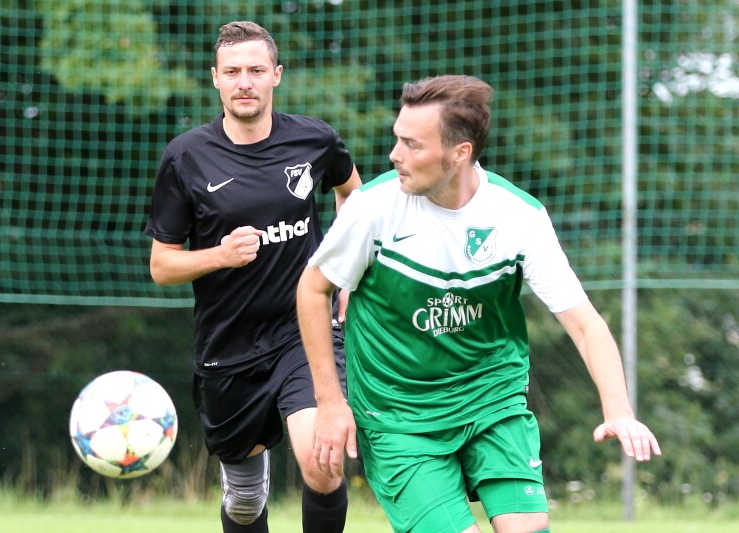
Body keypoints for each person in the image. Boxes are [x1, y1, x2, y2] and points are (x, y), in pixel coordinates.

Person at [297, 75, 662, 533]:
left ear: (460, 152)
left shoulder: (518, 217)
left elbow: (585, 324)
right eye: (397, 139)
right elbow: (312, 290)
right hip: (399, 415)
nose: (394, 155)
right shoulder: (373, 208)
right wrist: (330, 402)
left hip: (492, 400)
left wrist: (619, 411)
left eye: (412, 144)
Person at [144, 21, 361, 533]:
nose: (245, 82)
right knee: (244, 504)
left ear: (276, 75)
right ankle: (245, 488)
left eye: (256, 71)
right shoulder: (186, 157)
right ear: (215, 78)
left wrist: (348, 272)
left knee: (322, 461)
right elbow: (162, 265)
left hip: (303, 331)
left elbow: (354, 195)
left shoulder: (314, 139)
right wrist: (219, 255)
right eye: (233, 72)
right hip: (228, 345)